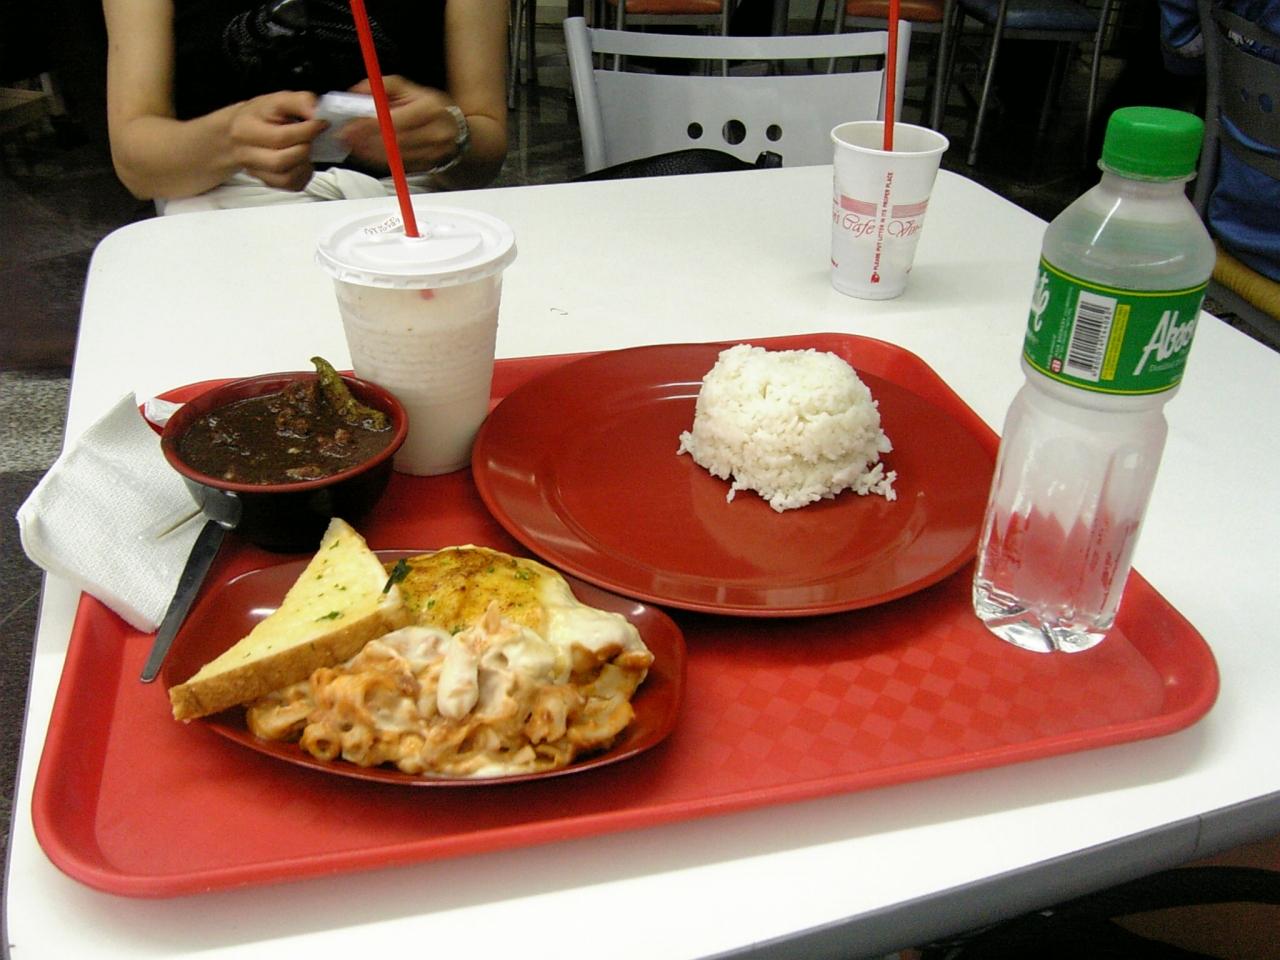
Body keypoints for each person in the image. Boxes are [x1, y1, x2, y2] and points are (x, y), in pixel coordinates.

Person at [103, 0, 508, 212]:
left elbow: (487, 144)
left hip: (418, 216)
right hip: (224, 219)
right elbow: (136, 164)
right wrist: (227, 140)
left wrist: (455, 137)